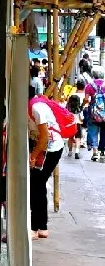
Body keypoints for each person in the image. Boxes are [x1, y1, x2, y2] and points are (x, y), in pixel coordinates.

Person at [28, 92, 65, 238]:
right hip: (45, 148)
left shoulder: (36, 108)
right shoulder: (33, 106)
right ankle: (41, 227)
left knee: (36, 185)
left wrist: (33, 156)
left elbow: (44, 138)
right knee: (38, 185)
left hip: (50, 149)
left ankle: (35, 227)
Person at [84, 67, 105, 162]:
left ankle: (95, 152)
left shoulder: (89, 86)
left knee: (93, 131)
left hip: (93, 113)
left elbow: (86, 100)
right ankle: (102, 151)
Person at [66, 92, 83, 160]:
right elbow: (81, 118)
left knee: (70, 138)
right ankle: (76, 152)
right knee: (78, 139)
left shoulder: (67, 108)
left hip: (70, 124)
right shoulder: (79, 109)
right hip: (77, 124)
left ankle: (70, 152)